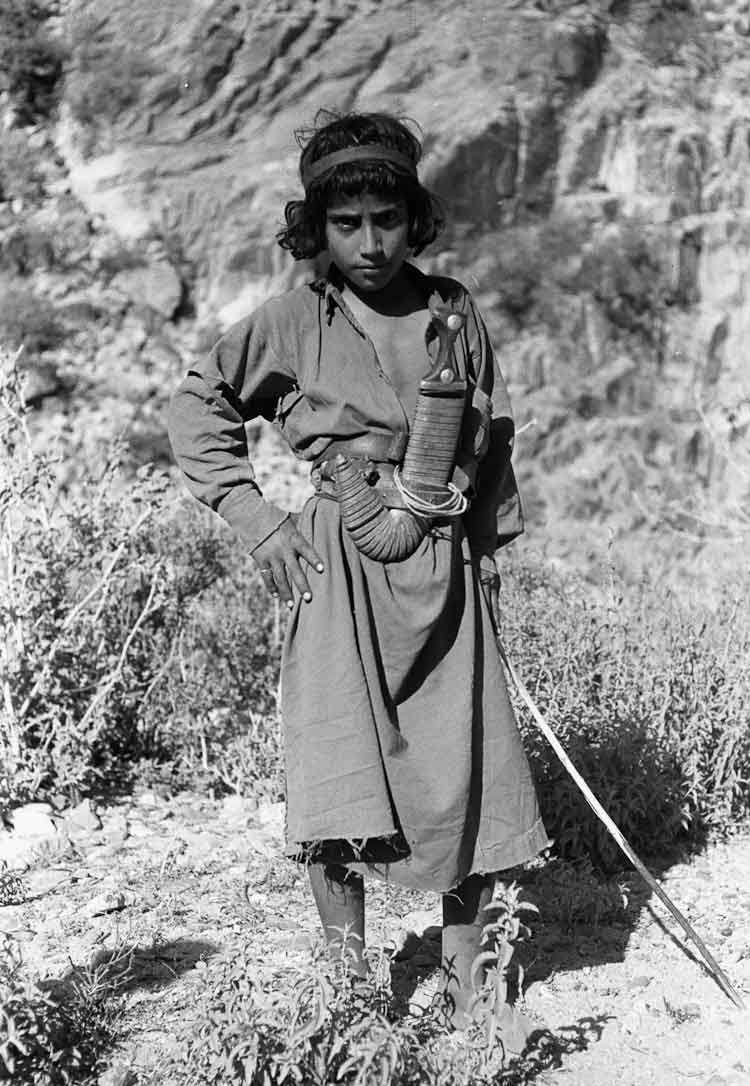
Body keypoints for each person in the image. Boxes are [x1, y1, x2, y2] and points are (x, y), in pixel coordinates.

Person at [168, 110, 550, 1026]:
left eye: (387, 220)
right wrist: (258, 520)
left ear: (415, 217)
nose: (370, 244)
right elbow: (199, 404)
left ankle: (468, 991)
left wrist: (484, 554)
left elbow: (490, 435)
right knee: (338, 764)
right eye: (346, 225)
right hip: (339, 563)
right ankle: (347, 997)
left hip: (442, 560)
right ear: (317, 228)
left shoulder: (453, 313)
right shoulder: (292, 321)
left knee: (466, 760)